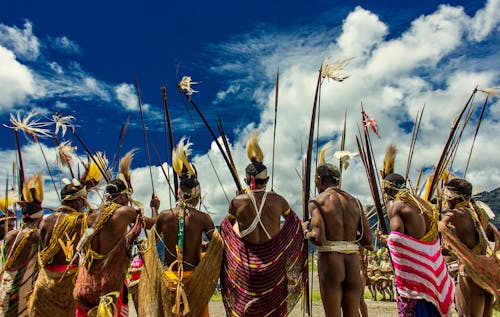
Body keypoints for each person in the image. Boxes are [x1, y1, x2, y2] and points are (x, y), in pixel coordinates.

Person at [220, 132, 306, 317]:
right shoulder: (279, 201)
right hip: (273, 267)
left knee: (244, 311)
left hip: (245, 267)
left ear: (246, 181)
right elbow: (295, 225)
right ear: (266, 180)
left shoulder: (237, 202)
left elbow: (228, 231)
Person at [139, 138, 224, 317]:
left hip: (169, 280)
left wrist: (154, 207)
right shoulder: (204, 219)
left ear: (178, 192)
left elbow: (150, 234)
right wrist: (204, 249)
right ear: (197, 195)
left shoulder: (165, 215)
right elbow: (219, 244)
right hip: (195, 280)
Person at [73, 151, 154, 316]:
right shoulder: (123, 212)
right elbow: (154, 223)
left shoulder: (89, 216)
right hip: (109, 288)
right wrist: (154, 207)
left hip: (85, 285)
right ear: (123, 196)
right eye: (127, 197)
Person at [378, 173, 455, 317]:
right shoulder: (425, 204)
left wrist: (386, 240)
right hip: (431, 270)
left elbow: (397, 240)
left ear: (388, 189)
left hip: (414, 273)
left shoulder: (396, 205)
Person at [303, 159, 373, 317]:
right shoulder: (354, 201)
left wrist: (305, 231)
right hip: (353, 263)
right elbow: (367, 241)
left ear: (319, 180)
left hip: (331, 262)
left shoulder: (317, 201)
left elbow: (318, 238)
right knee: (352, 313)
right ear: (338, 181)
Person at [439, 178, 500, 317]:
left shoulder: (456, 215)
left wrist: (450, 242)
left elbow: (441, 226)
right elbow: (490, 236)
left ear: (452, 198)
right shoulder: (480, 213)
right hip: (484, 272)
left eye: (446, 197)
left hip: (469, 273)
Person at [28, 180, 90, 316]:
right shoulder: (79, 222)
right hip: (67, 287)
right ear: (77, 201)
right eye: (84, 200)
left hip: (43, 285)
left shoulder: (45, 221)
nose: (85, 205)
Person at [0, 174, 43, 316]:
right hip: (20, 294)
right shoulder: (34, 237)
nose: (11, 226)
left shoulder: (11, 235)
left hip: (6, 290)